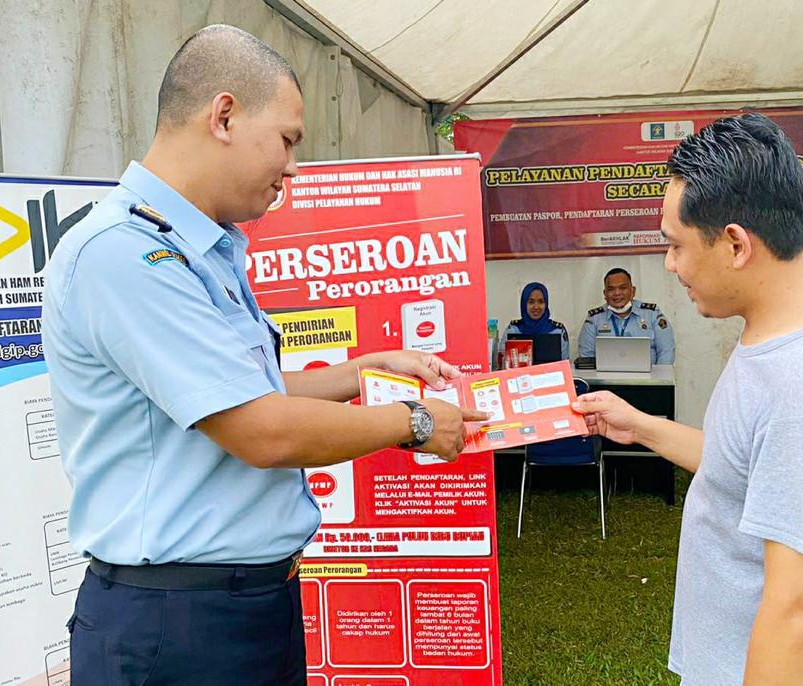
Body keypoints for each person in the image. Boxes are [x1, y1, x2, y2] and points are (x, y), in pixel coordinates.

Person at [41, 25, 488, 685]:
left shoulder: (203, 249)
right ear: (224, 116)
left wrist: (365, 372)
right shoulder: (126, 255)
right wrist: (414, 423)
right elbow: (259, 428)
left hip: (243, 607)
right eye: (287, 140)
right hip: (175, 623)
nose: (292, 167)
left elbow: (245, 389)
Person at [574, 113, 803, 685]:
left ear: (736, 243)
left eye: (675, 246)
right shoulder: (779, 336)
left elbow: (800, 616)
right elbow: (748, 468)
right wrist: (641, 426)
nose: (670, 265)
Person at [577, 268, 675, 363]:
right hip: (606, 378)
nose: (617, 293)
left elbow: (666, 351)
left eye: (622, 288)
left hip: (648, 378)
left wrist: (657, 378)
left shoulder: (652, 314)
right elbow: (586, 358)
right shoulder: (594, 319)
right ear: (605, 294)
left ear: (633, 291)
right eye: (611, 289)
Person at [499, 281, 570, 361]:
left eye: (541, 302)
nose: (536, 307)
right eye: (531, 302)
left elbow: (565, 365)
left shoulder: (557, 331)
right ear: (524, 304)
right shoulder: (513, 330)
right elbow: (502, 363)